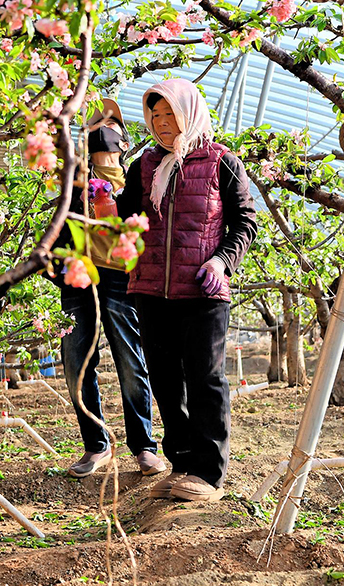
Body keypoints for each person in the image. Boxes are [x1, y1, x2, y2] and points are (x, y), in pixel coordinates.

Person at [116, 79, 258, 502]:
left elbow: (245, 223)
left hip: (202, 291)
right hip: (151, 289)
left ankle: (209, 472)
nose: (161, 124)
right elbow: (126, 216)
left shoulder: (222, 163)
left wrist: (221, 261)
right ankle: (181, 463)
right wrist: (102, 196)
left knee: (205, 378)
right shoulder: (145, 166)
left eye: (169, 115)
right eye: (154, 116)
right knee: (163, 378)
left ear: (188, 114)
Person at [53, 99, 165, 479]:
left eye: (111, 125)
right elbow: (56, 229)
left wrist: (110, 199)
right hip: (78, 277)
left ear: (123, 139)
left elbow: (142, 229)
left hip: (120, 277)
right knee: (75, 363)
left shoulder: (135, 178)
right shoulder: (72, 180)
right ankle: (96, 444)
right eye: (96, 126)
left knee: (130, 361)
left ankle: (144, 446)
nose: (103, 132)